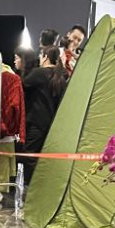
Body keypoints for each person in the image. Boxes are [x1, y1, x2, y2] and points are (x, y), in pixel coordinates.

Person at [15, 46, 67, 186]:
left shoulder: (38, 73)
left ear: (44, 56)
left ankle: (32, 187)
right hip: (53, 123)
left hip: (36, 121)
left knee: (30, 155)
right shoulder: (62, 76)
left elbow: (20, 87)